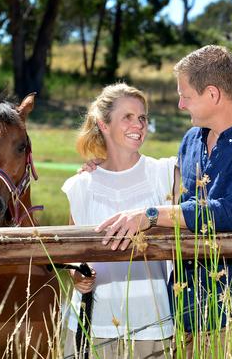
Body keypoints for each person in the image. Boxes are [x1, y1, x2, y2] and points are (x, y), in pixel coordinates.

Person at [96, 45, 232, 354]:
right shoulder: (191, 140)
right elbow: (167, 189)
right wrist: (101, 167)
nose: (179, 104)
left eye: (185, 96)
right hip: (183, 309)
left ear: (213, 95)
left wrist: (150, 215)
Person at [62, 83, 176, 358]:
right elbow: (71, 252)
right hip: (90, 326)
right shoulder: (81, 185)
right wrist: (76, 274)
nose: (138, 124)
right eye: (128, 117)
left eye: (142, 118)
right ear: (103, 124)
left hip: (153, 325)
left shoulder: (165, 173)